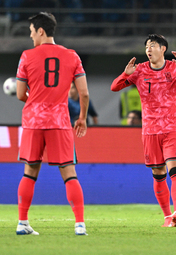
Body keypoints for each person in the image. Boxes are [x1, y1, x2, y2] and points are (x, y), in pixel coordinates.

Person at [110, 34, 176, 227]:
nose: (148, 49)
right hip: (150, 131)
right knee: (158, 173)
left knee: (175, 170)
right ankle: (167, 216)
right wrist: (125, 73)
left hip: (172, 128)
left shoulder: (174, 68)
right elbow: (114, 87)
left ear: (163, 49)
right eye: (146, 46)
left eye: (152, 46)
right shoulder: (139, 71)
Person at [16, 12, 89, 235]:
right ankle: (79, 224)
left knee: (30, 172)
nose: (31, 37)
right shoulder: (72, 56)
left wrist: (37, 101)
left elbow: (20, 94)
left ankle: (22, 223)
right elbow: (84, 94)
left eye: (31, 32)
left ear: (41, 31)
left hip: (33, 122)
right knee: (69, 173)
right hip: (59, 121)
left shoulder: (27, 56)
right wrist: (82, 118)